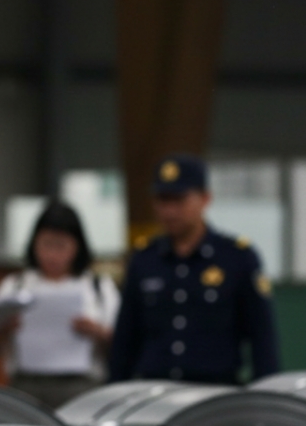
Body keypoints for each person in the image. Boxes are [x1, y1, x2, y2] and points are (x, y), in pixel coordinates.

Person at [110, 154, 280, 384]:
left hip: (215, 389)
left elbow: (262, 338)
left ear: (205, 199)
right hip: (155, 388)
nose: (170, 211)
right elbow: (125, 339)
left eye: (179, 200)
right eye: (162, 200)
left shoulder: (236, 258)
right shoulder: (144, 260)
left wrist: (266, 394)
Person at [0, 201, 120, 408]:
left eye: (61, 246)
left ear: (77, 246)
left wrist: (97, 332)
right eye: (46, 244)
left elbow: (123, 343)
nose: (52, 255)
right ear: (34, 243)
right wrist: (3, 330)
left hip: (82, 385)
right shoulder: (15, 285)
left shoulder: (98, 288)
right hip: (26, 384)